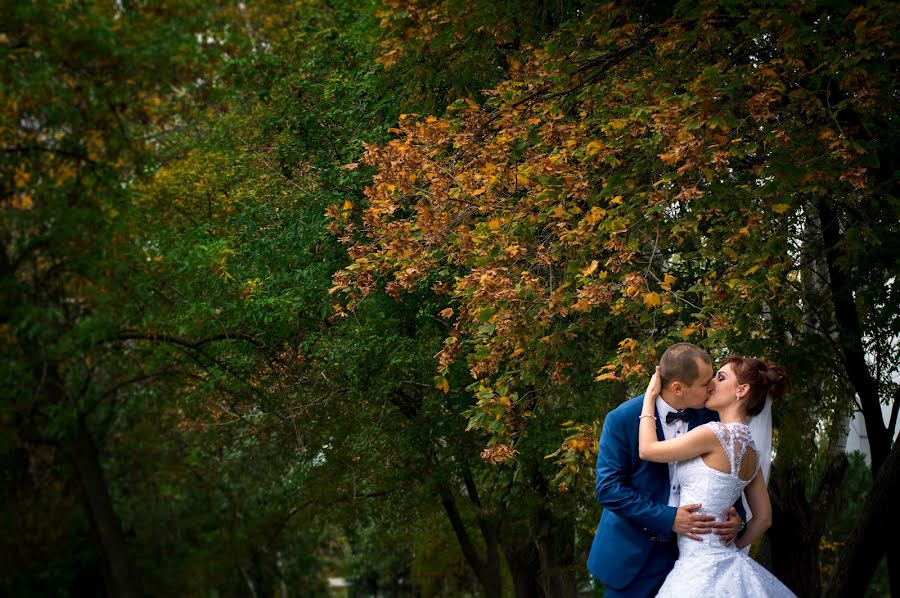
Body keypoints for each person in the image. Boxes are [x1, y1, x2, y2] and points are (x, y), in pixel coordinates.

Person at [587, 343, 744, 596]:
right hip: (630, 559)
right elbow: (608, 489)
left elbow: (729, 481)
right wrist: (668, 518)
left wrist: (738, 520)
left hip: (692, 560)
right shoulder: (622, 418)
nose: (712, 386)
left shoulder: (713, 420)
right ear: (678, 388)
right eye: (705, 383)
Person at [638, 356, 796, 597]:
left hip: (697, 570)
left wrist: (649, 397)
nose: (711, 383)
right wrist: (734, 547)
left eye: (720, 378)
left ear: (741, 391)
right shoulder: (752, 450)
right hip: (725, 561)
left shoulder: (713, 434)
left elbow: (647, 449)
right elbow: (763, 518)